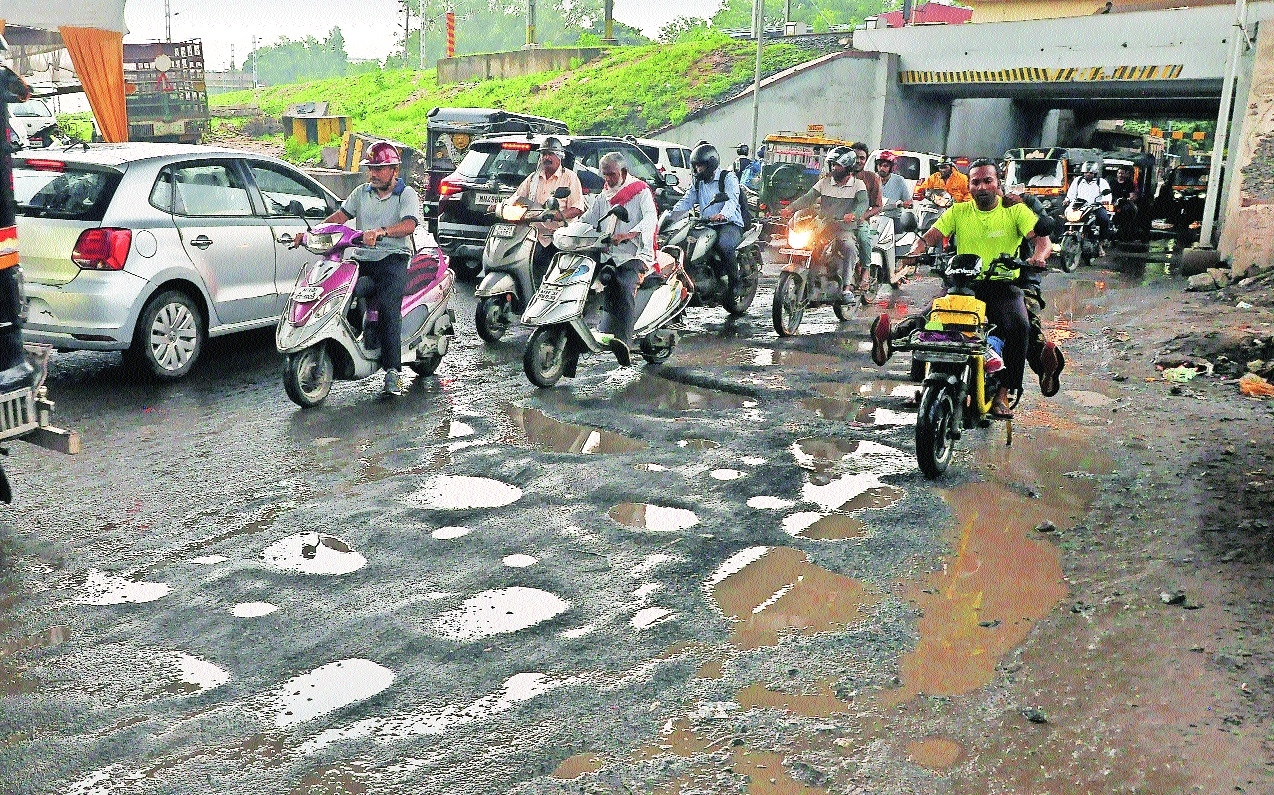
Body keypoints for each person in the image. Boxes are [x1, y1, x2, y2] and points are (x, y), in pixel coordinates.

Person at [873, 159, 1062, 417]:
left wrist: (1039, 257)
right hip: (963, 284)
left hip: (1002, 286)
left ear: (997, 184)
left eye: (988, 181)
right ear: (969, 185)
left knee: (1020, 326)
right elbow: (931, 235)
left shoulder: (1015, 210)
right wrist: (914, 253)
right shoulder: (959, 211)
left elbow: (1041, 240)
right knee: (930, 318)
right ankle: (909, 368)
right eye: (976, 182)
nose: (982, 186)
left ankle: (1002, 394)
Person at [299, 141, 420, 396]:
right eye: (371, 168)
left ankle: (393, 372)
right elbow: (339, 219)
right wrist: (311, 234)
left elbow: (409, 225)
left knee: (388, 307)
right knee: (340, 292)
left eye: (379, 168)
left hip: (393, 258)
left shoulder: (406, 194)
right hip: (364, 258)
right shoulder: (361, 193)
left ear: (394, 170)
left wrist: (382, 232)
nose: (373, 174)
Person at [581, 151, 657, 366]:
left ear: (623, 172)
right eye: (605, 175)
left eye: (612, 175)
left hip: (634, 253)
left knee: (623, 284)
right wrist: (568, 226)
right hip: (608, 252)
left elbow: (651, 219)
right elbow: (589, 219)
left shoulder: (640, 192)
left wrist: (630, 233)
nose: (608, 180)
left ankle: (624, 341)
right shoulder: (604, 194)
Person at [780, 145, 868, 303]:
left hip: (843, 228)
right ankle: (810, 284)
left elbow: (863, 203)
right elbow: (808, 198)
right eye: (833, 164)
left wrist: (854, 214)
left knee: (849, 248)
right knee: (807, 246)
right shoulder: (824, 182)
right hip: (823, 227)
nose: (834, 168)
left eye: (838, 165)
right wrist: (790, 209)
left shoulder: (858, 185)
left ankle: (847, 288)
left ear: (848, 167)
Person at [666, 143, 746, 299]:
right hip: (706, 223)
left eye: (700, 166)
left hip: (729, 224)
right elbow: (687, 200)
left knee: (724, 245)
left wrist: (723, 214)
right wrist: (671, 215)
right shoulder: (698, 181)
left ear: (710, 164)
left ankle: (735, 283)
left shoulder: (727, 177)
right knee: (686, 245)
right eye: (695, 167)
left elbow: (732, 200)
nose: (697, 170)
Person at [513, 137, 585, 286]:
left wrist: (557, 216)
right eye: (543, 154)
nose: (546, 157)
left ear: (560, 156)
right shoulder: (533, 179)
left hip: (559, 237)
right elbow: (517, 198)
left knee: (553, 276)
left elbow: (577, 208)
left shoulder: (570, 178)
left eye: (550, 153)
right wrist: (501, 206)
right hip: (534, 236)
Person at [1065, 161, 1113, 252]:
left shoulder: (1101, 182)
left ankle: (1101, 243)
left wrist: (1105, 201)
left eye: (1090, 173)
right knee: (1065, 217)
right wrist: (1067, 200)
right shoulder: (1078, 181)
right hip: (1079, 207)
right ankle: (1063, 238)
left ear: (1095, 173)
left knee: (1104, 219)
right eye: (1086, 172)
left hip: (1096, 207)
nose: (1088, 174)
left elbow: (1107, 194)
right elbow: (1071, 193)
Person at [877, 151, 912, 218]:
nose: (882, 168)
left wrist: (907, 203)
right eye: (880, 165)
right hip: (875, 218)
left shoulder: (899, 180)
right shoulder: (872, 179)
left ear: (891, 168)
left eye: (885, 166)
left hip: (893, 218)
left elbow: (908, 200)